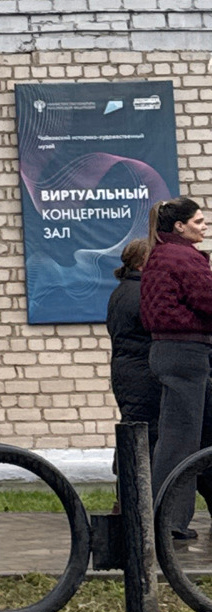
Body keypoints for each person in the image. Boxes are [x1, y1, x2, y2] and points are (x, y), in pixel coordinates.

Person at [141, 197, 212, 542]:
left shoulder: (158, 254)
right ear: (180, 226)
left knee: (176, 437)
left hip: (166, 350)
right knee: (182, 440)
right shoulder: (184, 257)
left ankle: (165, 517)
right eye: (198, 221)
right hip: (187, 351)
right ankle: (168, 521)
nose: (204, 225)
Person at [107, 238, 157, 457]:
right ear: (141, 262)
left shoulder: (122, 291)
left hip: (128, 371)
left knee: (134, 426)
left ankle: (126, 472)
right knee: (144, 431)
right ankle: (129, 475)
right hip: (142, 372)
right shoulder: (142, 293)